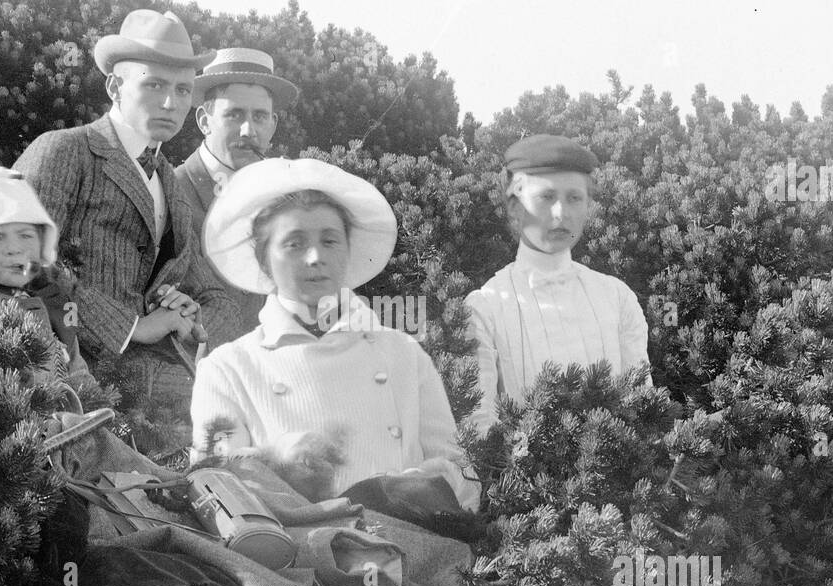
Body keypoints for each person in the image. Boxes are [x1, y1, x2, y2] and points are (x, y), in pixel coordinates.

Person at [189, 158, 479, 510]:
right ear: (264, 259)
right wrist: (276, 459)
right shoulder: (228, 369)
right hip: (298, 557)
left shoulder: (403, 353)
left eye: (330, 241)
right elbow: (216, 487)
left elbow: (460, 473)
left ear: (348, 249)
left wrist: (415, 492)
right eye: (294, 243)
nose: (315, 257)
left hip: (412, 548)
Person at [13, 9, 239, 451]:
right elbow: (24, 263)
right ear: (115, 87)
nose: (171, 103)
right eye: (154, 85)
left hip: (150, 383)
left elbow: (214, 295)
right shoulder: (65, 150)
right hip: (66, 380)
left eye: (182, 90)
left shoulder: (170, 182)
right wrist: (135, 327)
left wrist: (190, 317)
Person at [464, 134, 651, 434]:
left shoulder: (616, 297)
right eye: (546, 197)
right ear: (514, 206)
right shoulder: (485, 307)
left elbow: (643, 414)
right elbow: (478, 429)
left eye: (574, 198)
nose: (560, 213)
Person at [0, 165, 104, 404]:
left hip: (70, 424)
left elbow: (77, 369)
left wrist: (93, 405)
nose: (14, 248)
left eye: (26, 235)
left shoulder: (54, 301)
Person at [174, 47, 299, 341]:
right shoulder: (170, 193)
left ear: (273, 124)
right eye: (234, 115)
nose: (248, 130)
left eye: (259, 117)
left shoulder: (283, 199)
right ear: (204, 120)